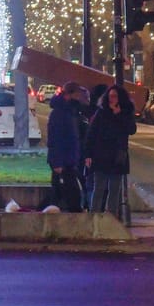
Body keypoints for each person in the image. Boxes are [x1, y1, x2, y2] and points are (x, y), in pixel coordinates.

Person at [85, 85, 137, 213]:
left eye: (114, 96)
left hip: (117, 156)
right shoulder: (101, 113)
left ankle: (112, 218)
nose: (111, 99)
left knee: (115, 190)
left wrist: (118, 115)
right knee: (99, 188)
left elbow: (131, 129)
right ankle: (94, 217)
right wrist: (88, 154)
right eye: (109, 96)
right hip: (101, 155)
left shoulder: (125, 112)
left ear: (120, 98)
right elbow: (91, 134)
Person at [45, 82, 86, 212]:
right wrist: (57, 162)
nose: (79, 97)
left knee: (61, 191)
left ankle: (53, 212)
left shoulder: (69, 111)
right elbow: (56, 138)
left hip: (67, 159)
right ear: (70, 94)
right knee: (69, 191)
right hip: (63, 160)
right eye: (77, 94)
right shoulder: (61, 113)